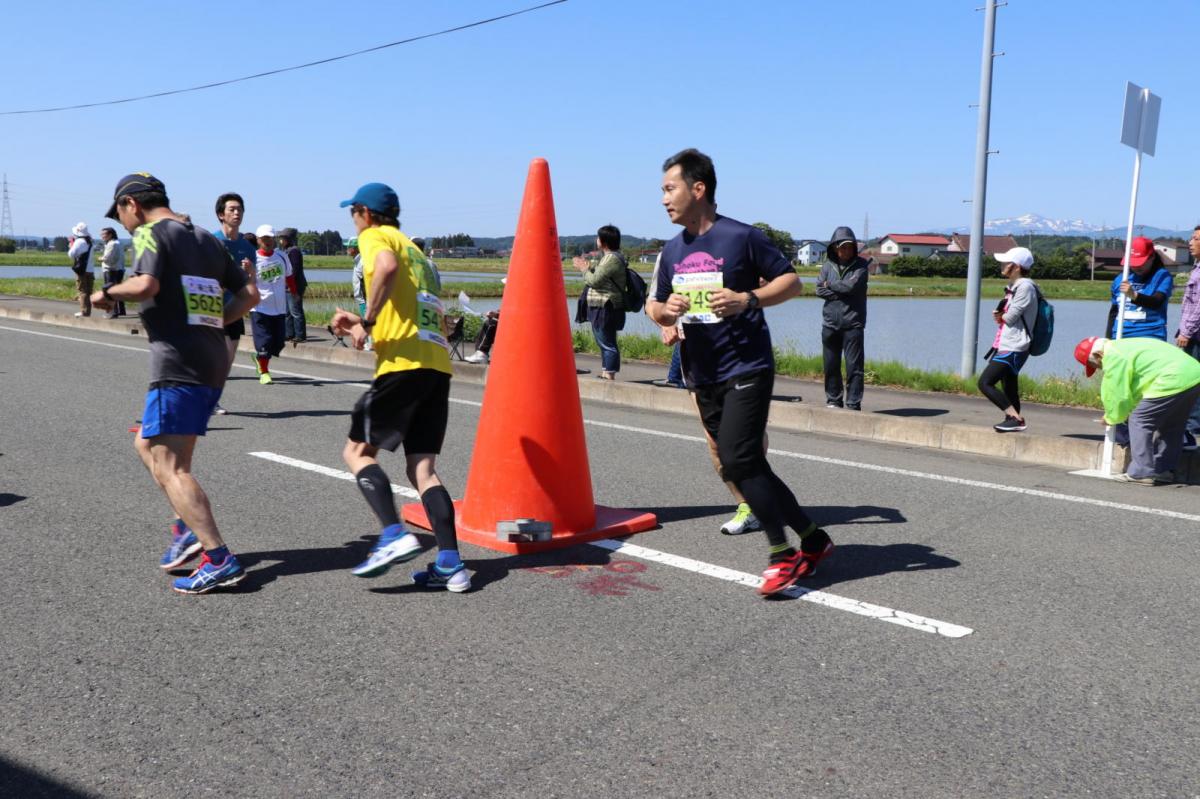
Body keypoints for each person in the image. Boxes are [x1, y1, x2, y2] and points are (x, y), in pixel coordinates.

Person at [650, 148, 830, 595]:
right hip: (701, 372)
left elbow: (792, 282)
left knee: (738, 459)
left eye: (670, 189)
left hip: (747, 364)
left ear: (699, 188)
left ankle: (782, 555)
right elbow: (653, 304)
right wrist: (665, 313)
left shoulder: (742, 237)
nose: (664, 199)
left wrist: (747, 299)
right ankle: (814, 539)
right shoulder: (672, 251)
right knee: (745, 465)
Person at [89, 172, 257, 593]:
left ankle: (218, 557)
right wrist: (213, 321)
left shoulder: (149, 233)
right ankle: (186, 529)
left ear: (132, 204)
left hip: (178, 364)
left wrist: (107, 292)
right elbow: (250, 295)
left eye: (120, 214)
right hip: (211, 358)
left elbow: (146, 284)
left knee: (171, 465)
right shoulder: (203, 236)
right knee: (146, 444)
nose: (124, 223)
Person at [329, 182, 470, 592]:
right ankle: (450, 563)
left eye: (353, 213)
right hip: (436, 364)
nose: (353, 222)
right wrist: (363, 322)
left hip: (402, 364)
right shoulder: (420, 253)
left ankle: (392, 535)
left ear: (365, 213)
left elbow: (385, 268)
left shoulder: (375, 237)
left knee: (356, 451)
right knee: (422, 468)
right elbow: (426, 308)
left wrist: (366, 321)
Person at [1075, 335, 1200, 484]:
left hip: (1172, 378)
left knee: (1139, 420)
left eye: (1095, 366)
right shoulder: (1125, 346)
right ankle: (1163, 470)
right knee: (1173, 425)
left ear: (1096, 357)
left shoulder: (1114, 357)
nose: (1099, 369)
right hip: (1194, 374)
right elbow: (1135, 388)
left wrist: (1111, 417)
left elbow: (1117, 393)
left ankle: (1141, 472)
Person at [978, 246, 1038, 432]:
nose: (1002, 265)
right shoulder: (1014, 287)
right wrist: (1001, 316)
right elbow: (1007, 317)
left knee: (985, 382)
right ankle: (1012, 421)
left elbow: (1010, 317)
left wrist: (1000, 315)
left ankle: (1015, 418)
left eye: (1007, 262)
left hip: (1015, 345)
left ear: (1017, 266)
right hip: (1009, 342)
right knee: (1009, 384)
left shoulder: (1025, 286)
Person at [211, 193, 259, 414]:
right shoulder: (211, 242)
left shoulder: (248, 247)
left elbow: (252, 284)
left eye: (239, 209)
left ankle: (213, 399)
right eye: (231, 209)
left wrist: (249, 273)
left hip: (234, 308)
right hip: (210, 308)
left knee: (227, 359)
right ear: (221, 214)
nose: (236, 213)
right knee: (213, 357)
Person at [815, 227, 869, 410]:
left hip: (853, 323)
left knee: (854, 367)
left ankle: (853, 402)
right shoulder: (827, 266)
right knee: (831, 365)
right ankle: (833, 400)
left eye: (850, 247)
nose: (847, 251)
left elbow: (851, 287)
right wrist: (841, 291)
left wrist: (830, 285)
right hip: (830, 323)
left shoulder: (862, 266)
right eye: (843, 247)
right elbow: (818, 290)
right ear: (835, 247)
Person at [573, 225, 628, 380]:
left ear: (603, 241)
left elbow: (594, 281)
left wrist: (583, 269)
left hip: (606, 306)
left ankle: (609, 375)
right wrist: (588, 267)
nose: (596, 240)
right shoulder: (609, 257)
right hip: (603, 306)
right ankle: (606, 373)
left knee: (606, 342)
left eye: (598, 237)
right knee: (604, 340)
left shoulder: (611, 259)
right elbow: (599, 275)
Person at [248, 224, 294, 385]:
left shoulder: (282, 256)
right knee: (264, 343)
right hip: (259, 307)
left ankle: (259, 358)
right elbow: (246, 282)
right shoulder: (252, 259)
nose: (267, 242)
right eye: (264, 239)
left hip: (279, 307)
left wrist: (295, 293)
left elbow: (289, 276)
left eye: (270, 238)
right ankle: (264, 371)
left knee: (278, 343)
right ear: (259, 240)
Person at [1107, 236, 1173, 342]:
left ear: (1151, 257)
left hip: (1150, 335)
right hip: (1120, 335)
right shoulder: (1121, 279)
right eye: (1133, 263)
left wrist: (1134, 295)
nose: (1137, 267)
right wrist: (1108, 340)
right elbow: (1114, 312)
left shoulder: (1162, 276)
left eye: (1141, 262)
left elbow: (1157, 302)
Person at [1176, 225, 1200, 451]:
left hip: (1195, 336)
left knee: (1193, 381)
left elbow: (1199, 307)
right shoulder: (1196, 267)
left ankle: (1193, 431)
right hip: (1192, 333)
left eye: (1195, 239)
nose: (1190, 242)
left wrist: (1186, 331)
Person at [278, 227, 307, 343]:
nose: (280, 240)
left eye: (282, 238)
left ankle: (300, 335)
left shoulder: (294, 251)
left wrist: (288, 284)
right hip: (287, 286)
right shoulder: (286, 250)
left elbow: (293, 270)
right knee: (287, 312)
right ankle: (289, 334)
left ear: (288, 239)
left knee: (295, 311)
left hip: (294, 286)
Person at [98, 227, 127, 318]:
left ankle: (113, 312)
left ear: (110, 235)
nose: (102, 236)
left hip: (110, 269)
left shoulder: (112, 244)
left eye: (104, 234)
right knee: (118, 290)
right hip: (119, 269)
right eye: (101, 234)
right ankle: (121, 310)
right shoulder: (118, 243)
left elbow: (108, 259)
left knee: (110, 291)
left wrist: (100, 258)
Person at [68, 222, 95, 317]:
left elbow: (71, 254)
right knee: (88, 292)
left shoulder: (79, 242)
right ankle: (88, 311)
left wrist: (71, 244)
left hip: (82, 270)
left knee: (82, 291)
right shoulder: (90, 241)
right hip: (90, 270)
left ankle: (84, 312)